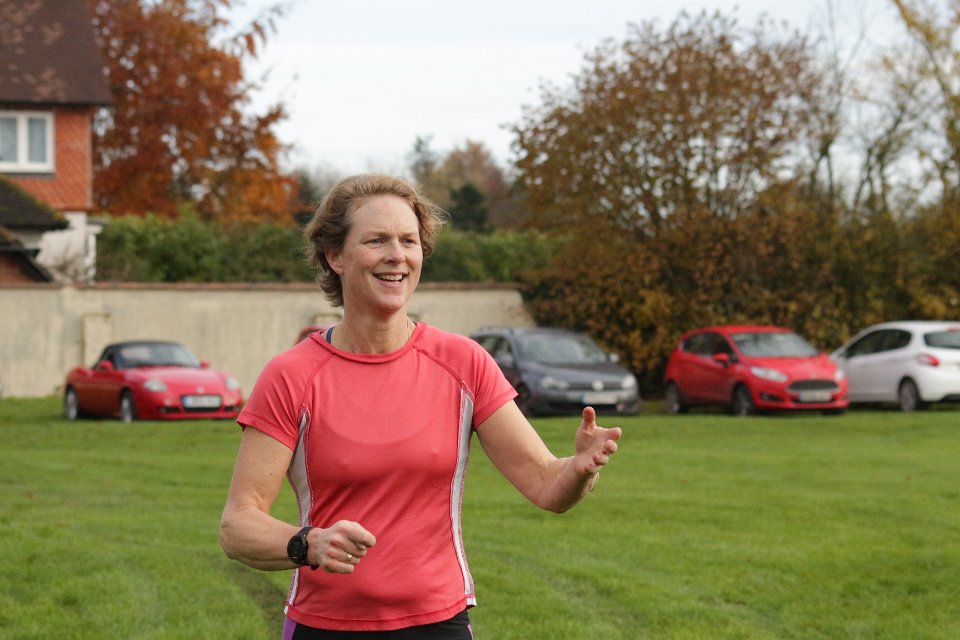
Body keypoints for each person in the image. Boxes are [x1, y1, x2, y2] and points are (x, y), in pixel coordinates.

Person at [219, 173, 622, 639]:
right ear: (334, 256)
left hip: (439, 623)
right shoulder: (291, 375)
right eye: (376, 240)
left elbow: (547, 484)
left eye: (408, 241)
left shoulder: (464, 362)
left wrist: (580, 469)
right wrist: (309, 543)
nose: (397, 255)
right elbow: (238, 524)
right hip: (324, 625)